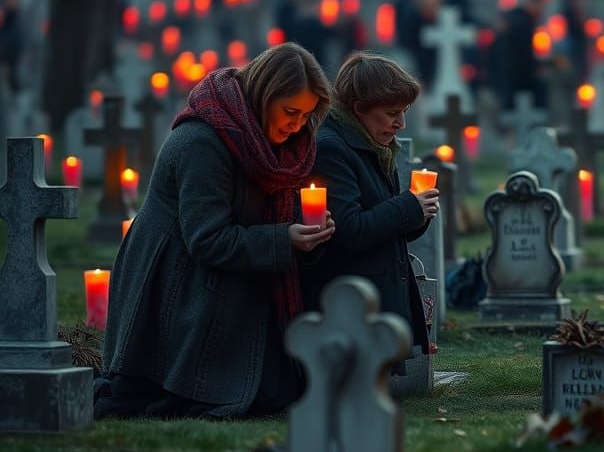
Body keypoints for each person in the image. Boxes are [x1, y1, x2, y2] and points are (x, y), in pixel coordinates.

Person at [95, 43, 335, 419]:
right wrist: (283, 239)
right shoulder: (202, 141)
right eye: (290, 112)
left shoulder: (284, 147)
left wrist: (308, 231)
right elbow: (206, 239)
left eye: (306, 115)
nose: (297, 125)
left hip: (235, 274)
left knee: (281, 391)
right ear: (264, 94)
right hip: (178, 282)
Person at [300, 52, 437, 367]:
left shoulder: (373, 143)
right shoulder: (333, 148)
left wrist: (419, 212)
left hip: (375, 294)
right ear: (359, 109)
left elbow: (384, 219)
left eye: (403, 112)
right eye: (391, 113)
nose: (400, 123)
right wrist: (407, 206)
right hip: (351, 303)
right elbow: (349, 230)